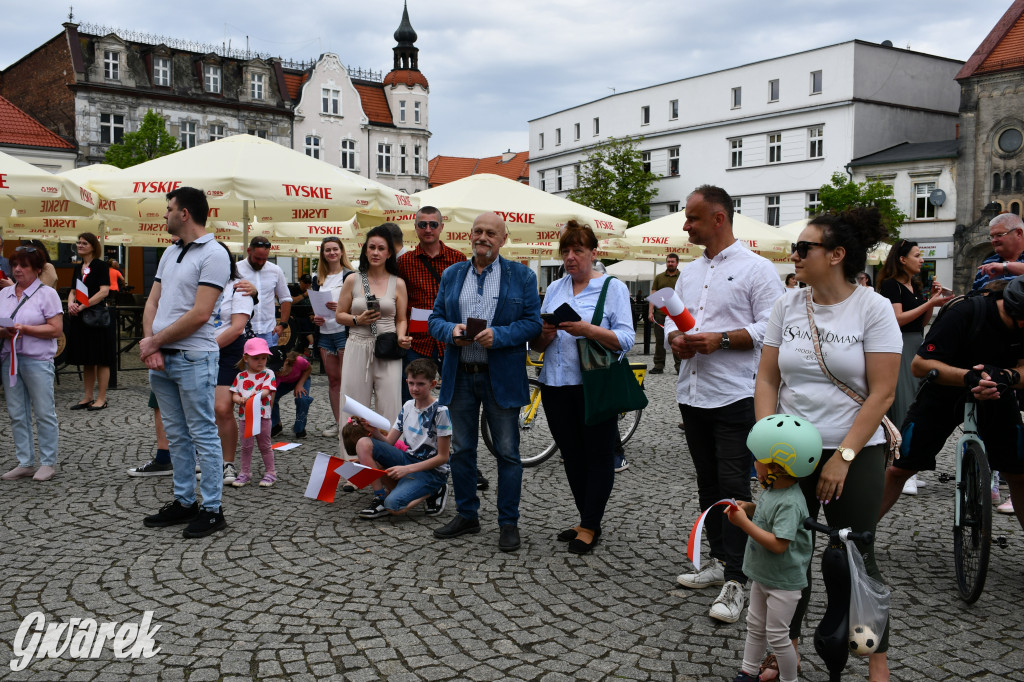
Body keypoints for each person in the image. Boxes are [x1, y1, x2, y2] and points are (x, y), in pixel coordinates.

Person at [754, 207, 901, 681]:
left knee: (858, 555)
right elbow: (766, 378)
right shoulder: (787, 304)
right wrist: (766, 446)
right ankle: (785, 647)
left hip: (855, 449)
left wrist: (845, 456)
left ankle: (874, 658)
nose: (794, 255)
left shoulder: (872, 308)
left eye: (804, 248)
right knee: (786, 552)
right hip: (792, 452)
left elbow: (883, 392)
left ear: (836, 255)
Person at [670, 185, 785, 624]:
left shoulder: (757, 269)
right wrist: (676, 341)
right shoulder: (689, 271)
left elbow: (769, 330)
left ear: (719, 218)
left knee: (735, 485)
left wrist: (720, 339)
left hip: (737, 393)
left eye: (692, 218)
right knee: (707, 482)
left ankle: (739, 578)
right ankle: (718, 560)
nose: (686, 225)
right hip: (692, 393)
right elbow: (670, 323)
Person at [428, 211, 542, 553]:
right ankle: (467, 514)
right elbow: (435, 319)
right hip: (460, 374)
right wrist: (452, 331)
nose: (483, 237)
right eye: (477, 231)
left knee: (508, 453)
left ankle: (508, 523)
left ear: (503, 239)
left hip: (500, 377)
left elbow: (533, 324)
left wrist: (502, 335)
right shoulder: (452, 274)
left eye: (491, 233)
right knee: (462, 450)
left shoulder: (521, 276)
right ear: (470, 236)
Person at [880, 277, 1024, 529]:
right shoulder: (965, 312)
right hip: (944, 390)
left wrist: (1007, 376)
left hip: (997, 391)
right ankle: (859, 538)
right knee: (900, 469)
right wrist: (969, 376)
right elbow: (919, 365)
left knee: (1019, 474)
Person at [529, 221, 634, 554]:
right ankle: (587, 519)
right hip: (555, 384)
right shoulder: (556, 288)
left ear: (593, 253)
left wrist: (587, 329)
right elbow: (538, 345)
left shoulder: (611, 287)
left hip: (593, 384)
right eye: (566, 251)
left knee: (598, 456)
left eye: (578, 251)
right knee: (571, 456)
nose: (570, 257)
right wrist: (544, 335)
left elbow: (627, 340)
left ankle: (589, 525)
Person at [140, 186, 231, 539]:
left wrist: (154, 342)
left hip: (194, 356)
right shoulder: (170, 252)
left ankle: (212, 509)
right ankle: (183, 500)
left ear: (185, 214)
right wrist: (152, 346)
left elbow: (201, 314)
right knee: (176, 435)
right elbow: (153, 303)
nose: (164, 215)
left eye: (168, 209)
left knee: (203, 434)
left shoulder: (214, 254)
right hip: (163, 357)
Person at [726, 418, 818, 682]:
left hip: (783, 583)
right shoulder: (773, 490)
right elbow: (769, 516)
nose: (754, 463)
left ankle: (790, 680)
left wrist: (743, 523)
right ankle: (748, 671)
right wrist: (751, 508)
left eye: (758, 459)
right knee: (755, 627)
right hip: (763, 575)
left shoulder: (790, 502)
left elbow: (779, 544)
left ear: (776, 466)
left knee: (778, 637)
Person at [876, 239, 950, 495]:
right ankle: (899, 467)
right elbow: (897, 320)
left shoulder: (913, 285)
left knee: (916, 403)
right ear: (902, 259)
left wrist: (930, 299)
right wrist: (930, 303)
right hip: (900, 346)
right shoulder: (890, 285)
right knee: (904, 404)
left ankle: (909, 469)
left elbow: (921, 321)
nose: (921, 259)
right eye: (917, 255)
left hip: (917, 343)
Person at [353, 358, 452, 520]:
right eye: (411, 383)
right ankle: (380, 496)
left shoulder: (441, 411)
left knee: (394, 507)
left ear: (433, 384)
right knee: (363, 443)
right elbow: (389, 443)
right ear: (406, 381)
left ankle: (435, 490)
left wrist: (407, 470)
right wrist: (375, 432)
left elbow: (443, 457)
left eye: (420, 384)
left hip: (432, 472)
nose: (415, 388)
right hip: (408, 459)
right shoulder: (407, 406)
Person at [336, 224, 411, 431]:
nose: (375, 252)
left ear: (389, 253)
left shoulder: (398, 283)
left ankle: (388, 457)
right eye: (372, 247)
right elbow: (339, 315)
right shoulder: (353, 279)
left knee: (390, 406)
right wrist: (357, 320)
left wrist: (401, 337)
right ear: (365, 250)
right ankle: (352, 457)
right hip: (357, 345)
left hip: (386, 348)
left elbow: (402, 319)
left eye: (381, 248)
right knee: (353, 406)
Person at [0, 245, 63, 481]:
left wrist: (24, 329)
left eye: (23, 265)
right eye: (14, 265)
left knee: (44, 411)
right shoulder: (3, 294)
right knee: (17, 412)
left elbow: (56, 329)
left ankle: (48, 462)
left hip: (37, 360)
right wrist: (4, 331)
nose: (17, 270)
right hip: (10, 359)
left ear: (37, 269)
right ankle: (25, 461)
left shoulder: (47, 294)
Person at [211, 241, 255, 485]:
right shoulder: (198, 286)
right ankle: (205, 458)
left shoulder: (239, 288)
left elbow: (238, 327)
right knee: (201, 410)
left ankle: (227, 462)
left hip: (228, 352)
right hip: (198, 349)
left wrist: (207, 348)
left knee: (222, 408)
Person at [311, 237, 356, 437]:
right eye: (327, 250)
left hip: (343, 332)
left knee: (348, 380)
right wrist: (315, 318)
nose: (331, 253)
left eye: (335, 249)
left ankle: (351, 423)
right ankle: (339, 423)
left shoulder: (351, 276)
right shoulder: (317, 278)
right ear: (323, 254)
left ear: (341, 251)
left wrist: (342, 308)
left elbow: (360, 304)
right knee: (333, 381)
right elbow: (314, 306)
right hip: (325, 333)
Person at [65, 232, 113, 411]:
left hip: (96, 318)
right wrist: (71, 303)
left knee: (101, 359)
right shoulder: (78, 267)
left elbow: (104, 291)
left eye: (84, 243)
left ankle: (101, 398)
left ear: (93, 246)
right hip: (81, 318)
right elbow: (72, 290)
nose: (80, 245)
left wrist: (82, 305)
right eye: (78, 242)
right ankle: (87, 397)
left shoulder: (100, 266)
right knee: (87, 359)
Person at [230, 337, 278, 488]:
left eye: (263, 358)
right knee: (246, 446)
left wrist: (252, 396)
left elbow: (266, 391)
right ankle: (245, 473)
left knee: (265, 445)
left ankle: (271, 472)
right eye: (256, 358)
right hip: (245, 417)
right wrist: (239, 400)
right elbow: (234, 394)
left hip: (263, 416)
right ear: (246, 358)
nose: (260, 362)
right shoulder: (241, 376)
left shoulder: (268, 373)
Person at [236, 237, 292, 347]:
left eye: (265, 259)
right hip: (241, 331)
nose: (261, 262)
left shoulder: (275, 270)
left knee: (267, 364)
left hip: (268, 331)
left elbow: (285, 299)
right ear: (249, 251)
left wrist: (283, 325)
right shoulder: (236, 269)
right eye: (257, 258)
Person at [647, 253, 680, 375]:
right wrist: (651, 311)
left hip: (676, 314)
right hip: (660, 313)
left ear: (677, 263)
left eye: (672, 261)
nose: (670, 263)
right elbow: (653, 294)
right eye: (668, 261)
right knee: (659, 341)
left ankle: (680, 366)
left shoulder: (682, 277)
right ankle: (658, 365)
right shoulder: (659, 277)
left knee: (678, 339)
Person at [973, 213, 1024, 289]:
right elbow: (976, 296)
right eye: (992, 237)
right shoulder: (988, 263)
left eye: (999, 235)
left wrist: (1005, 267)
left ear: (1018, 233)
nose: (994, 240)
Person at [271, 349, 313, 438]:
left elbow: (308, 369)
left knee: (302, 399)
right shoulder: (275, 375)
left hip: (301, 378)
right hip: (284, 383)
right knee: (270, 398)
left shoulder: (298, 361)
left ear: (286, 362)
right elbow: (272, 394)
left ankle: (299, 428)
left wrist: (300, 384)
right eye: (275, 371)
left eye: (280, 369)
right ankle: (276, 425)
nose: (278, 373)